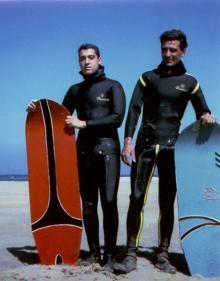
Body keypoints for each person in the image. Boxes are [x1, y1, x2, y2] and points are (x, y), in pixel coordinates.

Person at [113, 30, 216, 274]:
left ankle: (162, 253)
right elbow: (134, 110)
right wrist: (128, 141)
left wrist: (206, 117)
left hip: (173, 148)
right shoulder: (148, 78)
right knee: (136, 198)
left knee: (167, 202)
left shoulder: (191, 82)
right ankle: (130, 253)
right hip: (145, 145)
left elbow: (204, 110)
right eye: (164, 49)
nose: (168, 54)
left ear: (183, 51)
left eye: (173, 49)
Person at [27, 43, 126, 272]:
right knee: (89, 205)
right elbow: (58, 117)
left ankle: (110, 255)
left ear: (99, 59)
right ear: (79, 61)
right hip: (83, 153)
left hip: (108, 150)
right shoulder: (75, 90)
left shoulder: (113, 86)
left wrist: (84, 123)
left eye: (91, 57)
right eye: (82, 58)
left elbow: (117, 118)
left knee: (109, 203)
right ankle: (93, 254)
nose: (87, 61)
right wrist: (36, 110)